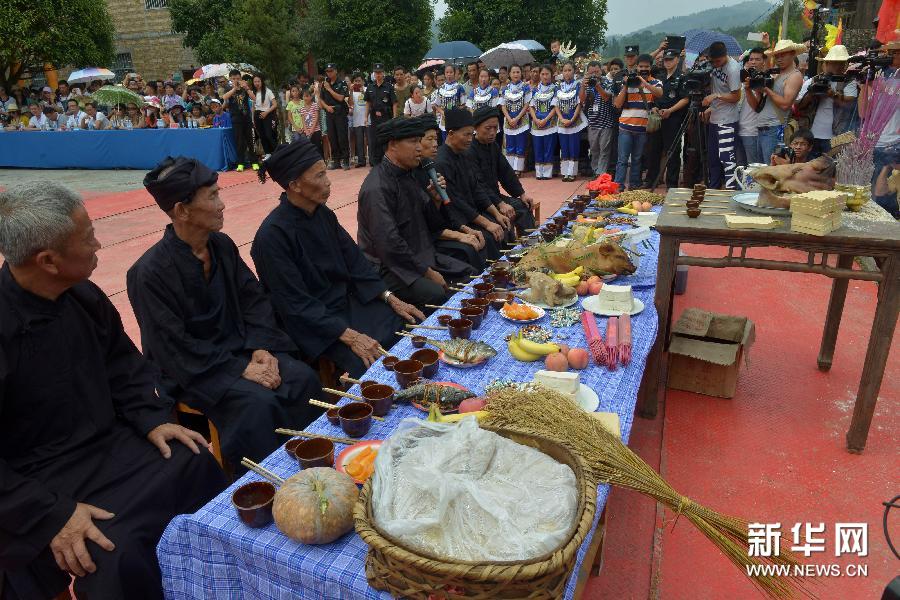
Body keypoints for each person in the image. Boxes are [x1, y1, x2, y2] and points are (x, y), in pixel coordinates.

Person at [0, 181, 226, 600]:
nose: (99, 244)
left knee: (195, 461)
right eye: (87, 239)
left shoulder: (82, 295)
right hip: (40, 480)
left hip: (110, 444)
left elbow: (125, 367)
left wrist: (152, 418)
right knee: (114, 552)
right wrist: (52, 515)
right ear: (48, 261)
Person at [127, 158, 322, 467]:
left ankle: (315, 463)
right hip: (196, 368)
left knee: (301, 378)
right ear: (181, 210)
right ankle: (267, 482)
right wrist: (238, 369)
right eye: (213, 197)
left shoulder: (221, 245)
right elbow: (171, 346)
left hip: (243, 348)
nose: (222, 205)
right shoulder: (148, 273)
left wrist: (262, 347)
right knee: (258, 404)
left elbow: (253, 300)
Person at [253, 136, 423, 375]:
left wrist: (389, 298)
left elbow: (355, 262)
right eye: (319, 176)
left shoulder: (323, 214)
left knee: (405, 328)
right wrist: (351, 337)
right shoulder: (271, 237)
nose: (328, 182)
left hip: (347, 302)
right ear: (295, 185)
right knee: (369, 364)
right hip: (315, 322)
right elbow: (294, 304)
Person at [358, 118, 475, 307]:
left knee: (469, 274)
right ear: (392, 145)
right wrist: (427, 272)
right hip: (391, 267)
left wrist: (436, 201)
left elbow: (431, 225)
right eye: (413, 142)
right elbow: (389, 245)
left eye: (419, 140)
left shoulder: (409, 174)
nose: (419, 148)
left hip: (420, 254)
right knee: (437, 293)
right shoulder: (377, 187)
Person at [414, 114, 487, 271]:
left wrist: (437, 200)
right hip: (421, 242)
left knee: (484, 235)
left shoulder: (429, 167)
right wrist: (459, 234)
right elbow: (420, 223)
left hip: (441, 226)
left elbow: (445, 210)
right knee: (468, 250)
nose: (435, 145)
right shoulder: (412, 174)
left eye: (436, 139)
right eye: (430, 139)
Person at [437, 108, 509, 258]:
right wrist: (486, 223)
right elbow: (456, 202)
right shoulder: (442, 162)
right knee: (489, 237)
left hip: (473, 212)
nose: (471, 139)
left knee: (503, 224)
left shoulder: (463, 154)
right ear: (451, 134)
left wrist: (496, 213)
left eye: (472, 134)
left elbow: (477, 189)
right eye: (467, 134)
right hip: (457, 220)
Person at [467, 106, 537, 236]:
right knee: (505, 217)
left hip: (495, 196)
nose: (493, 132)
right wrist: (500, 204)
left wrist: (521, 194)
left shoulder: (493, 146)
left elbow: (506, 173)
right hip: (480, 203)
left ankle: (530, 245)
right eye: (488, 128)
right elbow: (479, 185)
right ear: (475, 128)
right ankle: (511, 251)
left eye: (495, 128)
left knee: (523, 206)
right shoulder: (469, 151)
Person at [795, 45, 858, 158]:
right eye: (834, 63)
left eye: (841, 62)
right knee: (809, 168)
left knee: (831, 170)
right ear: (826, 64)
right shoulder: (813, 80)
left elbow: (849, 105)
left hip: (838, 136)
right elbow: (798, 105)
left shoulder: (849, 81)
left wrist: (832, 94)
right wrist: (811, 94)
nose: (838, 66)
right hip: (811, 134)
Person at [748, 39, 805, 162]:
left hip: (775, 128)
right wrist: (750, 88)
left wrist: (767, 90)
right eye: (777, 55)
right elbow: (757, 106)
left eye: (783, 55)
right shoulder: (775, 73)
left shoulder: (795, 76)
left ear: (793, 54)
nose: (779, 58)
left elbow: (785, 104)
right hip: (762, 127)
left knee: (771, 171)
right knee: (761, 171)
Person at [612, 54, 662, 190]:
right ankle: (619, 185)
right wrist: (626, 86)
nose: (643, 69)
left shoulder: (655, 82)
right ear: (636, 67)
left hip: (642, 128)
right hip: (625, 127)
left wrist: (644, 83)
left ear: (651, 67)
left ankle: (634, 184)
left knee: (637, 159)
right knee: (622, 160)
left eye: (646, 66)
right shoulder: (628, 82)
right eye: (641, 66)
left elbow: (659, 93)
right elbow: (617, 104)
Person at [698, 41, 742, 189]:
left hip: (728, 121)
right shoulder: (713, 66)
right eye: (713, 61)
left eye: (718, 61)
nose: (716, 64)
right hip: (715, 119)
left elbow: (736, 97)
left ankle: (730, 191)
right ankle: (713, 189)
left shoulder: (733, 69)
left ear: (725, 56)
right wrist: (711, 107)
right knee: (713, 158)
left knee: (727, 159)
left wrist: (716, 96)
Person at [643, 49, 686, 188]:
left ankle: (671, 184)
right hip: (657, 117)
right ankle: (650, 181)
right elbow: (654, 95)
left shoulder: (682, 77)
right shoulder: (659, 76)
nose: (667, 62)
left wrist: (670, 110)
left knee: (672, 152)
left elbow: (686, 99)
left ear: (677, 60)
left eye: (671, 59)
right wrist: (653, 107)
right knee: (653, 150)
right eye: (666, 59)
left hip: (673, 118)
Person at [580, 60, 616, 177]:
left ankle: (601, 174)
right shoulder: (587, 84)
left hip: (606, 123)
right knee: (594, 150)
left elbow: (606, 97)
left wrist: (597, 85)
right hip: (593, 124)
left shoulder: (608, 82)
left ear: (601, 71)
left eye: (597, 72)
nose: (594, 75)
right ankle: (596, 171)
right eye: (591, 73)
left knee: (604, 151)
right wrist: (582, 86)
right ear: (587, 73)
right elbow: (582, 100)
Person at [556, 61, 588, 182]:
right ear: (561, 72)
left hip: (575, 120)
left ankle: (572, 173)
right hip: (562, 121)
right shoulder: (558, 86)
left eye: (569, 70)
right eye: (565, 70)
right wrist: (562, 118)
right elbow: (556, 105)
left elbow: (580, 103)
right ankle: (565, 173)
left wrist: (573, 119)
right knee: (564, 148)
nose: (567, 72)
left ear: (574, 71)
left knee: (574, 147)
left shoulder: (578, 85)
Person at [736, 48, 767, 166]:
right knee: (739, 167)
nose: (753, 62)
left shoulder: (763, 81)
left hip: (752, 132)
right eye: (751, 59)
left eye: (757, 59)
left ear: (763, 62)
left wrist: (749, 88)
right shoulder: (743, 78)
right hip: (738, 129)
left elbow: (757, 107)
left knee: (751, 168)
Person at [499, 64, 532, 174]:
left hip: (521, 120)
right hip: (509, 121)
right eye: (513, 72)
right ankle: (510, 169)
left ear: (521, 73)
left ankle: (518, 169)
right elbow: (502, 105)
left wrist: (517, 118)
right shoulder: (505, 89)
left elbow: (527, 104)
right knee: (510, 145)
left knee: (520, 145)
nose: (516, 74)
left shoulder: (525, 87)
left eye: (518, 72)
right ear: (509, 74)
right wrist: (509, 118)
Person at [222, 70, 256, 172]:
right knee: (239, 141)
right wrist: (234, 89)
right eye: (234, 78)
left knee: (250, 140)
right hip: (236, 119)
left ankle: (254, 162)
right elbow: (224, 97)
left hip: (246, 118)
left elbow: (254, 98)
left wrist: (246, 88)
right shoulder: (228, 88)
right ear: (230, 79)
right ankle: (240, 163)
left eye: (238, 78)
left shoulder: (245, 87)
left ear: (240, 78)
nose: (236, 80)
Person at [529, 64, 559, 180]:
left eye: (547, 74)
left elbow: (555, 107)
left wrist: (546, 119)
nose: (545, 76)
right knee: (538, 148)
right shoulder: (535, 89)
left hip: (550, 123)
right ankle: (538, 173)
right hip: (536, 124)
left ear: (551, 75)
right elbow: (531, 106)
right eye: (542, 74)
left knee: (548, 148)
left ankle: (547, 173)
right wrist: (535, 119)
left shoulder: (555, 89)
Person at [319, 63, 350, 170]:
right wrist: (326, 107)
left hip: (340, 113)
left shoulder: (342, 83)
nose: (329, 73)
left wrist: (330, 90)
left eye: (331, 71)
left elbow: (341, 98)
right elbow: (320, 99)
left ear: (336, 71)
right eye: (327, 71)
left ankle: (345, 160)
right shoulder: (324, 84)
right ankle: (336, 160)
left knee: (342, 137)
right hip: (329, 112)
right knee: (332, 137)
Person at [364, 64, 396, 165]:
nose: (378, 75)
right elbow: (368, 103)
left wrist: (394, 117)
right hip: (374, 117)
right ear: (374, 74)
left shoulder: (389, 87)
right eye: (376, 73)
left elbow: (394, 102)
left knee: (385, 139)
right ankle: (375, 162)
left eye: (380, 72)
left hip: (386, 116)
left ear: (383, 73)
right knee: (374, 140)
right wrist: (365, 116)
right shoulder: (370, 87)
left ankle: (386, 161)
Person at [434, 63, 467, 142]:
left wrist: (455, 111)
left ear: (455, 73)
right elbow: (436, 105)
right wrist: (443, 113)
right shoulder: (441, 88)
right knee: (445, 141)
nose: (449, 74)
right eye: (447, 72)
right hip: (444, 119)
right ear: (445, 74)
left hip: (456, 117)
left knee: (456, 140)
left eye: (451, 72)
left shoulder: (460, 87)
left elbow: (464, 104)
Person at [251, 75, 278, 159]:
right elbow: (253, 107)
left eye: (258, 81)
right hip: (257, 115)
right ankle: (268, 153)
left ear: (262, 81)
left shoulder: (268, 91)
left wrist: (266, 112)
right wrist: (253, 119)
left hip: (267, 114)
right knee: (262, 136)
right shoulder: (253, 92)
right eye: (255, 81)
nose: (257, 83)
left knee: (269, 135)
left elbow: (275, 104)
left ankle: (277, 152)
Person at [348, 73, 368, 167]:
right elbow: (350, 104)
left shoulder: (367, 89)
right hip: (357, 120)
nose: (358, 82)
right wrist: (351, 91)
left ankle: (372, 159)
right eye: (356, 81)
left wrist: (363, 92)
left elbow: (370, 101)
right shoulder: (351, 92)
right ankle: (361, 161)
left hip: (368, 119)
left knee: (369, 140)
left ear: (363, 81)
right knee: (359, 141)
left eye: (359, 80)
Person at [299, 87, 323, 157]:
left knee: (318, 146)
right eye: (304, 96)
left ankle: (321, 161)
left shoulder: (315, 105)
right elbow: (303, 120)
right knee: (310, 148)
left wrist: (312, 129)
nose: (305, 98)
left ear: (311, 97)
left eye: (307, 96)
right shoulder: (302, 108)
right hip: (307, 132)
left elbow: (316, 118)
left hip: (316, 130)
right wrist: (306, 130)